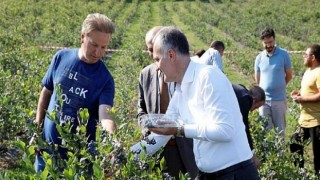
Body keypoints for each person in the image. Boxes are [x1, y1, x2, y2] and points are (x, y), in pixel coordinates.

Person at [147, 26, 259, 179]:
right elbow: (163, 131)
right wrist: (126, 156)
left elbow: (224, 130)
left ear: (171, 55)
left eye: (157, 60)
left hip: (235, 173)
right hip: (209, 175)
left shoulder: (208, 77)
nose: (157, 67)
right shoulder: (180, 89)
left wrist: (180, 129)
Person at [33, 13, 116, 172]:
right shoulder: (61, 57)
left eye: (104, 47)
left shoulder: (105, 79)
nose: (98, 52)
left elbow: (105, 115)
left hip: (78, 157)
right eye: (94, 45)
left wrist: (113, 140)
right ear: (82, 37)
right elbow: (46, 92)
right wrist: (38, 127)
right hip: (47, 150)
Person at [137, 26, 198, 179]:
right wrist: (148, 129)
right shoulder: (146, 74)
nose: (152, 55)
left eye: (156, 51)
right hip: (158, 147)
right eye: (150, 50)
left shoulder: (182, 74)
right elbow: (141, 109)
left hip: (185, 145)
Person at [254, 28, 292, 139]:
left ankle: (280, 156)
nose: (268, 45)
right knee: (265, 131)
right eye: (265, 43)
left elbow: (289, 75)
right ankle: (267, 156)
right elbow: (258, 79)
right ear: (262, 42)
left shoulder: (284, 54)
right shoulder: (259, 58)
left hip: (279, 100)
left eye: (270, 42)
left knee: (280, 131)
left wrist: (280, 86)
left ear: (274, 40)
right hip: (264, 101)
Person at [289, 44, 320, 177]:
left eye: (306, 55)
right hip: (304, 120)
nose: (303, 57)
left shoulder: (319, 72)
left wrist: (303, 100)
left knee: (318, 155)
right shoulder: (308, 71)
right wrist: (299, 93)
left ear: (313, 57)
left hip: (316, 121)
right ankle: (301, 173)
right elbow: (309, 90)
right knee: (294, 144)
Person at [232, 84, 266, 168]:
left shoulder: (240, 90)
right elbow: (244, 127)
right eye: (255, 107)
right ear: (254, 100)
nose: (251, 110)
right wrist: (252, 153)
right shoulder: (245, 99)